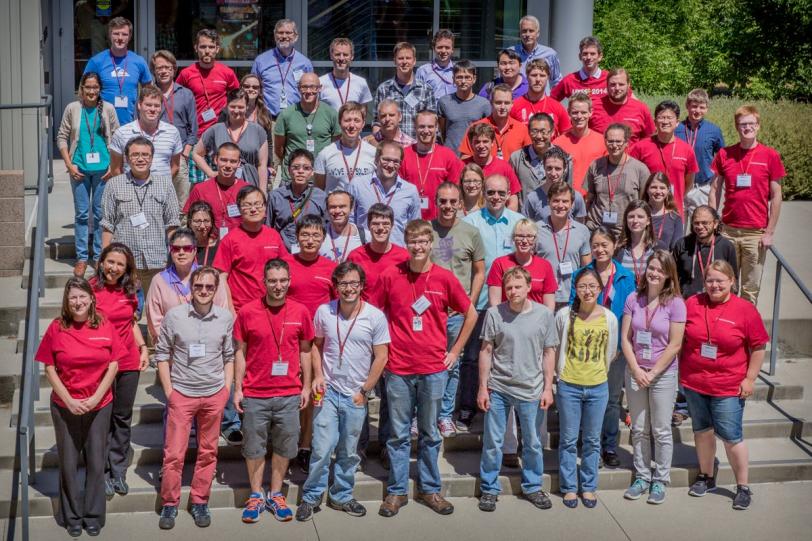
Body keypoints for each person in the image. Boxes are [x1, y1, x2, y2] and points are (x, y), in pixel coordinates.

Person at [374, 220, 477, 518]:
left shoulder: (444, 278)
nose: (418, 247)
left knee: (431, 433)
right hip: (399, 369)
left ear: (431, 244)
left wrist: (455, 351)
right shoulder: (391, 275)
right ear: (406, 244)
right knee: (398, 434)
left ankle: (430, 488)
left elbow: (469, 314)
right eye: (412, 242)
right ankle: (396, 491)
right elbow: (373, 315)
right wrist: (381, 353)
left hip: (433, 369)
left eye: (423, 241)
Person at [295, 262, 390, 521]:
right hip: (328, 391)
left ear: (362, 286)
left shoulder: (374, 316)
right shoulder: (325, 312)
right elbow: (316, 346)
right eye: (343, 283)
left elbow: (381, 356)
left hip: (355, 395)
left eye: (353, 283)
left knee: (349, 451)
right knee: (322, 448)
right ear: (335, 286)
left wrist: (365, 390)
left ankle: (341, 495)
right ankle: (312, 496)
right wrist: (318, 376)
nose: (348, 288)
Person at [36, 277, 122, 537]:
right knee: (69, 463)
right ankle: (71, 516)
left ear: (91, 299)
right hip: (65, 406)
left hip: (100, 404)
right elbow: (49, 368)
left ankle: (93, 515)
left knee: (96, 462)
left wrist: (96, 397)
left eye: (82, 296)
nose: (78, 302)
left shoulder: (105, 325)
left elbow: (114, 364)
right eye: (72, 297)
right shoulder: (56, 328)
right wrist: (70, 400)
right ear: (66, 301)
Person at [681, 260, 769, 510]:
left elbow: (759, 346)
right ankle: (706, 477)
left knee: (732, 438)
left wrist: (750, 378)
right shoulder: (693, 304)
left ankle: (742, 486)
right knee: (702, 432)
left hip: (728, 387)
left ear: (732, 281)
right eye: (710, 280)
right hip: (695, 382)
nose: (714, 285)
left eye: (720, 280)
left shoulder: (745, 309)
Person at [233, 258, 314, 523]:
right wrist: (238, 388)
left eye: (282, 280)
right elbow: (240, 353)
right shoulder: (247, 312)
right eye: (272, 281)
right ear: (263, 282)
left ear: (289, 281)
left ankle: (276, 493)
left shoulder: (301, 311)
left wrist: (305, 385)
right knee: (254, 447)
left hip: (289, 393)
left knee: (284, 445)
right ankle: (256, 495)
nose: (277, 286)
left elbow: (305, 351)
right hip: (256, 392)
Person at [156, 266, 234, 530]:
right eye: (198, 286)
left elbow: (229, 356)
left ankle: (200, 499)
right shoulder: (175, 316)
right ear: (191, 287)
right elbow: (162, 355)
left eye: (209, 287)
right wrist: (169, 391)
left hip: (213, 394)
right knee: (174, 454)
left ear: (215, 289)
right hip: (182, 394)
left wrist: (225, 389)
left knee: (208, 452)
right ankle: (169, 503)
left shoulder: (224, 318)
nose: (203, 291)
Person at [477, 266, 558, 512]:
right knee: (493, 441)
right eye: (509, 287)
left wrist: (548, 388)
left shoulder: (544, 315)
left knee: (533, 442)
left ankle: (532, 486)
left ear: (529, 287)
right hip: (499, 387)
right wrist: (482, 387)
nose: (513, 291)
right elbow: (486, 351)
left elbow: (549, 352)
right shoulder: (494, 314)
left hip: (531, 389)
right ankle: (489, 488)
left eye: (518, 286)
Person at [457, 174, 524, 431]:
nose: (496, 197)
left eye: (501, 193)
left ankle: (513, 412)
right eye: (491, 192)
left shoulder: (519, 223)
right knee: (473, 356)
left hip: (513, 304)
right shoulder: (470, 223)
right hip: (481, 301)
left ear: (509, 194)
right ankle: (466, 409)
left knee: (511, 358)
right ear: (484, 193)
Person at [620, 250, 686, 504]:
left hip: (663, 375)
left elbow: (675, 345)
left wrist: (654, 372)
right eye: (652, 268)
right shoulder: (633, 299)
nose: (655, 273)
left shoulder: (676, 303)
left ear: (669, 275)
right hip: (636, 371)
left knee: (660, 429)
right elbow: (626, 339)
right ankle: (642, 476)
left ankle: (660, 480)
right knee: (638, 429)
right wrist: (637, 370)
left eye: (660, 269)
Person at [571, 227, 636, 468]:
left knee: (610, 400)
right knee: (587, 398)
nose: (599, 249)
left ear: (614, 245)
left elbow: (631, 312)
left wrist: (622, 345)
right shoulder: (582, 274)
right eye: (595, 245)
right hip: (588, 350)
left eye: (604, 244)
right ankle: (590, 444)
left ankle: (608, 445)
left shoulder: (626, 277)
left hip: (617, 350)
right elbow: (573, 308)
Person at [709, 104, 785, 305]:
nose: (747, 128)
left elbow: (777, 195)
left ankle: (744, 332)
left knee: (750, 288)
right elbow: (715, 189)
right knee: (725, 284)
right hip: (728, 231)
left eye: (751, 123)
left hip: (756, 234)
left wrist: (769, 232)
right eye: (743, 124)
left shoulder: (770, 156)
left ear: (758, 126)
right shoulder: (725, 154)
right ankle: (726, 332)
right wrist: (713, 221)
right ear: (736, 126)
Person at [88, 243, 148, 500]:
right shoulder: (89, 288)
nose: (114, 268)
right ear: (101, 262)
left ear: (127, 269)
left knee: (122, 418)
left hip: (127, 362)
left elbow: (131, 322)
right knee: (101, 420)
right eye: (110, 262)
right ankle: (100, 471)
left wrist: (143, 347)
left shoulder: (131, 290)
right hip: (99, 365)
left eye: (120, 264)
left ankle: (118, 471)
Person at [555, 268, 617, 508]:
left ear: (600, 289)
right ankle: (569, 487)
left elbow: (610, 352)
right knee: (569, 439)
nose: (588, 291)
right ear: (576, 290)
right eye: (583, 286)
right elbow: (557, 345)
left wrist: (598, 372)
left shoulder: (609, 317)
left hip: (597, 386)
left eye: (592, 286)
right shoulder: (564, 315)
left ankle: (589, 486)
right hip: (569, 385)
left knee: (592, 440)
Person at [430, 182, 486, 438]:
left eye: (453, 201)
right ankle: (425, 414)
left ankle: (444, 415)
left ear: (460, 203)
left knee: (453, 363)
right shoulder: (426, 230)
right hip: (430, 314)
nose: (448, 206)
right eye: (443, 201)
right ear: (435, 201)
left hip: (457, 313)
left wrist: (469, 303)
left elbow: (479, 271)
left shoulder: (470, 232)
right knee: (426, 364)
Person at [56, 72, 120, 277]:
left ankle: (100, 256)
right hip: (79, 170)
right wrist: (69, 164)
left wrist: (114, 164)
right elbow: (62, 137)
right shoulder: (73, 109)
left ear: (99, 89)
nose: (91, 91)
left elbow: (118, 138)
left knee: (101, 215)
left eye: (95, 87)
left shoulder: (108, 109)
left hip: (103, 171)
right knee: (82, 214)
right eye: (88, 87)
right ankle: (82, 258)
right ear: (81, 89)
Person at [101, 136, 180, 296]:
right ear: (127, 158)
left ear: (152, 158)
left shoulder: (165, 184)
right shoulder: (113, 185)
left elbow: (172, 224)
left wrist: (175, 256)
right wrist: (103, 257)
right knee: (127, 311)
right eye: (135, 155)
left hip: (157, 261)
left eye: (145, 155)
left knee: (157, 312)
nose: (140, 159)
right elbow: (107, 225)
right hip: (125, 262)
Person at [212, 186, 289, 314]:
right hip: (241, 310)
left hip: (273, 307)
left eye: (258, 204)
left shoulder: (274, 235)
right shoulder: (230, 239)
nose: (253, 209)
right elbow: (221, 277)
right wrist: (231, 310)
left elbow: (285, 268)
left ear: (265, 207)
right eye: (247, 205)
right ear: (239, 209)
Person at [146, 227, 229, 340]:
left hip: (208, 343)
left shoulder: (210, 277)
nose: (181, 253)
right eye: (176, 248)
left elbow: (222, 310)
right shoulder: (159, 280)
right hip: (173, 347)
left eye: (187, 248)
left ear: (194, 251)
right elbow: (154, 320)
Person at [629, 100, 699, 216]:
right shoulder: (640, 147)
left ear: (677, 122)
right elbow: (632, 178)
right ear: (655, 121)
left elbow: (689, 182)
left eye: (669, 118)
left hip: (675, 210)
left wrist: (677, 198)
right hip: (647, 210)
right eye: (661, 117)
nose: (665, 121)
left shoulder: (686, 149)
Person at [193, 88, 269, 192]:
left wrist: (262, 191)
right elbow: (196, 153)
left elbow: (262, 165)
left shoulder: (258, 131)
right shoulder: (215, 129)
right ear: (227, 107)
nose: (236, 110)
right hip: (222, 184)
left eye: (241, 107)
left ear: (247, 107)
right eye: (233, 106)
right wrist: (210, 173)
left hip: (250, 184)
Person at [348, 141, 421, 247]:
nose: (391, 165)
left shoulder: (410, 191)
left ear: (400, 163)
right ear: (376, 159)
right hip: (365, 254)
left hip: (397, 257)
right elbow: (349, 223)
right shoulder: (357, 186)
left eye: (396, 161)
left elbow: (415, 229)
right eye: (386, 159)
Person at [584, 123, 650, 235]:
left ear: (626, 143)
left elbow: (645, 202)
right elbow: (589, 198)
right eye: (610, 141)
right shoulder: (595, 165)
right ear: (605, 141)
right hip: (596, 228)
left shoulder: (640, 169)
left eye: (618, 141)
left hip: (625, 231)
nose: (614, 145)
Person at [274, 73, 340, 184]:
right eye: (304, 87)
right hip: (292, 178)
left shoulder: (331, 114)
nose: (308, 91)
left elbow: (336, 145)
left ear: (319, 88)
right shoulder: (286, 114)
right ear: (299, 89)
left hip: (321, 178)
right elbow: (279, 149)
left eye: (313, 87)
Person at [535, 182, 593, 310]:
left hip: (572, 298)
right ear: (548, 201)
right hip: (543, 298)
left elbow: (587, 269)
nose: (560, 205)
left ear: (572, 204)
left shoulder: (582, 231)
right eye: (556, 201)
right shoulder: (536, 229)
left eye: (565, 201)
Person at [83, 17, 152, 124]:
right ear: (109, 35)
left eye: (124, 34)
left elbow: (148, 91)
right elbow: (83, 90)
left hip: (131, 124)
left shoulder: (139, 61)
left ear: (130, 37)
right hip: (101, 124)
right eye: (116, 33)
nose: (120, 38)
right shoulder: (96, 61)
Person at [150, 50, 198, 206]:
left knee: (182, 203)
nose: (163, 71)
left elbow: (193, 127)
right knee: (156, 201)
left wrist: (186, 152)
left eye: (167, 67)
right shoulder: (147, 95)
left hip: (180, 155)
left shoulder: (186, 94)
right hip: (156, 156)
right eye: (159, 68)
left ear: (173, 69)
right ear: (154, 71)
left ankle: (180, 231)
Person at [399, 110, 464, 220]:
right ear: (415, 127)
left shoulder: (447, 155)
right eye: (421, 127)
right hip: (410, 220)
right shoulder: (404, 155)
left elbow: (455, 190)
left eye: (430, 127)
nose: (426, 131)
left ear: (437, 127)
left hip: (439, 221)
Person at [176, 29, 240, 138]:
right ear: (196, 48)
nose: (207, 51)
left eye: (211, 47)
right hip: (194, 133)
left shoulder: (227, 72)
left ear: (217, 49)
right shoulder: (186, 74)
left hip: (222, 131)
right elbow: (177, 99)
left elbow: (238, 99)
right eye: (203, 47)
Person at [109, 86, 183, 179]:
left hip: (162, 191)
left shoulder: (172, 132)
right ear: (139, 105)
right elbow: (115, 169)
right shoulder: (121, 133)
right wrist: (125, 188)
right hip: (131, 191)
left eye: (156, 106)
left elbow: (175, 167)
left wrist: (164, 184)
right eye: (148, 105)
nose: (152, 109)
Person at [675, 89, 726, 217]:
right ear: (687, 106)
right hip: (678, 187)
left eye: (702, 107)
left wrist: (717, 183)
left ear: (707, 109)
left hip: (701, 188)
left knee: (699, 229)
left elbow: (722, 158)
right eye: (694, 106)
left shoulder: (714, 130)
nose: (697, 111)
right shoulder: (676, 129)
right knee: (676, 231)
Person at [184, 142, 250, 239]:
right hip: (209, 244)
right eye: (223, 160)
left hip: (239, 244)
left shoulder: (247, 190)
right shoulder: (200, 189)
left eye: (233, 161)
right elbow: (189, 220)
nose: (228, 165)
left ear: (239, 163)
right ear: (216, 160)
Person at [347, 204, 411, 303]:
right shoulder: (355, 256)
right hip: (365, 314)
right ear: (368, 225)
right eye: (375, 223)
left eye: (385, 223)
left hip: (394, 315)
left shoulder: (404, 257)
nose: (380, 228)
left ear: (392, 225)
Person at [487, 219, 556, 310]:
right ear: (513, 238)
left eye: (529, 236)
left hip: (536, 320)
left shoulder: (545, 266)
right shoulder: (499, 264)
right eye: (520, 236)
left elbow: (549, 305)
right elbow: (495, 303)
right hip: (507, 320)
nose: (524, 240)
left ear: (535, 239)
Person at [374, 42, 437, 140]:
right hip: (391, 148)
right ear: (394, 61)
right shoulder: (384, 89)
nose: (404, 61)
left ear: (414, 61)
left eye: (408, 58)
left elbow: (433, 123)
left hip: (417, 148)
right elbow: (376, 122)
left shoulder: (426, 90)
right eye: (400, 58)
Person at [251, 19, 314, 117]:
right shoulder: (261, 61)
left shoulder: (305, 63)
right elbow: (253, 90)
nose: (284, 36)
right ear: (275, 35)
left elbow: (311, 91)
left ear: (296, 36)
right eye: (280, 32)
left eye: (288, 33)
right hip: (268, 119)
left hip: (297, 118)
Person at [267, 149, 328, 251]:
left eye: (306, 168)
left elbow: (326, 228)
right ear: (288, 170)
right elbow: (268, 227)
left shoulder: (321, 197)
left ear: (312, 172)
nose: (300, 171)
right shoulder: (275, 196)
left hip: (311, 251)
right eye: (295, 167)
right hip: (282, 252)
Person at [672, 205, 738, 298]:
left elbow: (734, 280)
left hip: (716, 302)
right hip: (687, 302)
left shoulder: (726, 246)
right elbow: (672, 276)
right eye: (696, 223)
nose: (700, 227)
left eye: (705, 223)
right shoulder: (682, 244)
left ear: (715, 224)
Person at [314, 101, 377, 192]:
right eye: (347, 120)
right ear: (339, 122)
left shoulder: (373, 153)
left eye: (356, 120)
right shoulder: (325, 154)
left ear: (363, 124)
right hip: (336, 205)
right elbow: (318, 192)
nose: (352, 125)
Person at [553, 92, 607, 195]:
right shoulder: (558, 144)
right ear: (568, 112)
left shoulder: (601, 142)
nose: (579, 116)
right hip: (566, 199)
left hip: (594, 199)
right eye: (575, 112)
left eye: (583, 112)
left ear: (590, 112)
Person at [511, 116, 574, 204]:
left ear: (552, 132)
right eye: (534, 131)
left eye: (543, 132)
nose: (539, 136)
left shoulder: (565, 158)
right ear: (529, 132)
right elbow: (511, 192)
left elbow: (569, 191)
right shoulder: (516, 158)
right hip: (525, 216)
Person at [461, 84, 531, 162]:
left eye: (507, 103)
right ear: (491, 103)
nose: (502, 107)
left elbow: (528, 159)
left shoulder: (522, 129)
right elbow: (465, 158)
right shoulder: (476, 127)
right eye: (498, 102)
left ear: (512, 104)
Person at [461, 123, 521, 210]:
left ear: (492, 143)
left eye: (485, 141)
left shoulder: (504, 167)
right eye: (477, 142)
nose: (481, 146)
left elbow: (513, 197)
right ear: (471, 143)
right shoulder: (462, 166)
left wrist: (508, 217)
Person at [438, 60, 491, 155]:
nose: (463, 81)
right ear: (453, 79)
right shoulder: (444, 102)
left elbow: (488, 132)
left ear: (474, 79)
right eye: (459, 77)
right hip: (450, 154)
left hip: (474, 156)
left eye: (467, 77)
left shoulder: (484, 104)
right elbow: (442, 131)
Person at [589, 68, 655, 144]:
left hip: (631, 155)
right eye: (613, 84)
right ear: (607, 85)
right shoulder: (593, 106)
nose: (617, 88)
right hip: (599, 155)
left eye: (621, 84)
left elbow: (650, 140)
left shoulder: (641, 108)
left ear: (628, 85)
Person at [522, 146, 585, 222]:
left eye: (558, 169)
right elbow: (525, 226)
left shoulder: (576, 197)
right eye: (549, 168)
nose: (553, 173)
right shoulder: (532, 198)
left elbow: (579, 227)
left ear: (564, 169)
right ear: (543, 167)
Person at [510, 59, 570, 136]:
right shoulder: (515, 106)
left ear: (547, 78)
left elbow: (566, 136)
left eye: (542, 76)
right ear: (527, 77)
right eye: (534, 75)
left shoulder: (557, 107)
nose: (538, 79)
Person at [319, 38, 373, 111]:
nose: (341, 58)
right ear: (331, 56)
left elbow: (363, 112)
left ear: (352, 56)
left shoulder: (361, 83)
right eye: (337, 54)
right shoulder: (321, 82)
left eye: (345, 55)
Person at [550, 36, 607, 104]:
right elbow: (551, 101)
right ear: (580, 56)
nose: (589, 57)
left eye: (592, 54)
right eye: (585, 54)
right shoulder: (569, 80)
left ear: (600, 57)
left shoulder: (608, 79)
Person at [511, 15, 562, 88]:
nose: (527, 34)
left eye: (531, 31)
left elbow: (556, 82)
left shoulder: (550, 54)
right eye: (524, 31)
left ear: (538, 33)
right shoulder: (511, 53)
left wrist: (551, 99)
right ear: (520, 33)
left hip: (541, 98)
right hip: (517, 98)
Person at [319, 190, 367, 263]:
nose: (337, 211)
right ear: (327, 209)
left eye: (342, 206)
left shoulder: (365, 236)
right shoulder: (318, 234)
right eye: (333, 207)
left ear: (351, 209)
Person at [616, 201, 657, 284]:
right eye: (631, 216)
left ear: (648, 221)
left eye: (640, 217)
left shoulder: (658, 247)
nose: (635, 220)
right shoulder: (618, 248)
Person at [643, 173, 684, 250]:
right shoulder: (639, 215)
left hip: (664, 260)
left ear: (668, 190)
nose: (658, 191)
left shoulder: (675, 218)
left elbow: (676, 248)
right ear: (647, 189)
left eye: (662, 188)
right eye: (654, 187)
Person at [416, 29, 457, 100]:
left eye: (447, 48)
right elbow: (416, 97)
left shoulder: (458, 70)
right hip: (432, 110)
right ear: (434, 48)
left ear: (452, 49)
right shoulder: (423, 71)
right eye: (440, 47)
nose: (443, 51)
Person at [239, 74, 275, 145]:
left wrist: (268, 156)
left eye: (255, 87)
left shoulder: (265, 113)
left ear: (259, 90)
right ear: (241, 88)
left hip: (258, 154)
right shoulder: (229, 111)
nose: (251, 89)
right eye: (246, 86)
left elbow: (268, 142)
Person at [187, 201, 220, 266]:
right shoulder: (183, 247)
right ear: (190, 223)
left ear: (212, 222)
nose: (202, 226)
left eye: (206, 221)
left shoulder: (219, 247)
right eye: (197, 221)